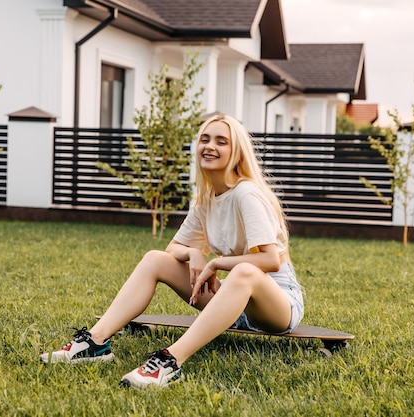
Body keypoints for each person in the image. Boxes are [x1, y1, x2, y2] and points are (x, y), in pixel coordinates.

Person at [40, 114, 304, 389]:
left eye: (221, 141)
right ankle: (94, 344)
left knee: (244, 271)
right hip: (233, 302)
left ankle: (170, 362)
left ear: (236, 152)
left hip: (277, 306)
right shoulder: (206, 199)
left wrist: (216, 264)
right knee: (155, 259)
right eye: (205, 139)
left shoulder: (246, 194)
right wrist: (194, 254)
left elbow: (270, 260)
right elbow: (173, 248)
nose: (209, 146)